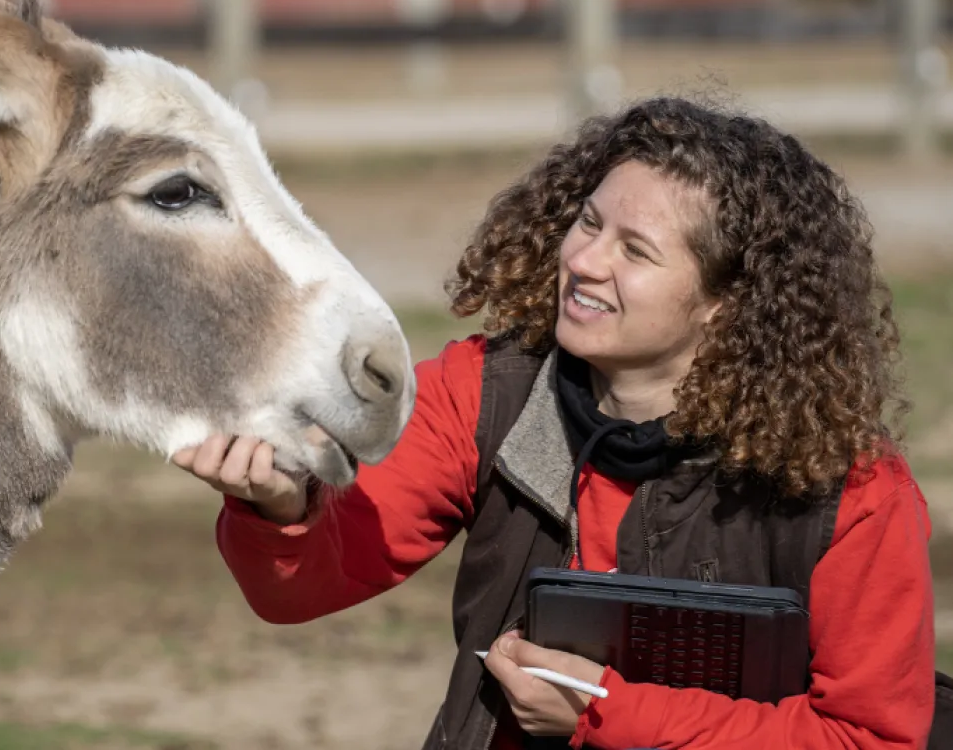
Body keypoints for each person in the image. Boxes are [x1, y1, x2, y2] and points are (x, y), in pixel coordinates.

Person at [171, 97, 936, 750]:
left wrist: (610, 712)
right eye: (589, 222)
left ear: (725, 304)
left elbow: (868, 736)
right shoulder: (483, 393)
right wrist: (278, 507)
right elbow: (299, 588)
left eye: (634, 250)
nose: (586, 260)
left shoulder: (851, 489)